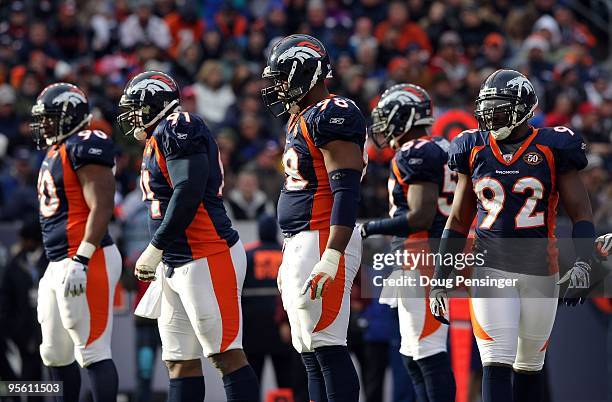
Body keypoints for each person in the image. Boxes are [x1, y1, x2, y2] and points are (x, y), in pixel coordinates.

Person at [429, 69, 595, 402]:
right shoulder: (474, 147)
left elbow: (581, 213)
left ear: (523, 109)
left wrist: (586, 264)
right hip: (491, 268)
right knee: (495, 362)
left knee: (530, 366)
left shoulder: (552, 146)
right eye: (487, 108)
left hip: (540, 271)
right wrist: (440, 277)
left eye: (500, 108)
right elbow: (459, 220)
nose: (490, 116)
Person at [117, 71, 259, 402]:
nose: (133, 116)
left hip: (206, 253)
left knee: (225, 355)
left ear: (156, 104)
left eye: (138, 107)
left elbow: (189, 189)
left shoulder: (180, 124)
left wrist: (155, 246)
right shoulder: (157, 137)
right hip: (176, 262)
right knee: (178, 361)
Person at [262, 34, 367, 402]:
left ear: (306, 72)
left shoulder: (332, 112)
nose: (277, 87)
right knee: (308, 348)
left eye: (282, 77)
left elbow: (346, 189)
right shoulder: (301, 117)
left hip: (323, 234)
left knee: (326, 344)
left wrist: (333, 254)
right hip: (301, 239)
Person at [360, 83, 457, 402]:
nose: (383, 126)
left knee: (428, 352)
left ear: (406, 117)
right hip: (423, 254)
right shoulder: (440, 146)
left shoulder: (415, 151)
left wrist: (370, 227)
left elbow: (420, 216)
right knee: (411, 352)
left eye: (388, 117)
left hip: (423, 254)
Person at [31, 83, 120, 402]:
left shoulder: (86, 142)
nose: (44, 125)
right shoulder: (56, 150)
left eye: (50, 118)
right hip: (58, 260)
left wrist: (82, 258)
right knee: (53, 352)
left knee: (93, 350)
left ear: (70, 117)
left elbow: (102, 205)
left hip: (86, 255)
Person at [241, 214, 295, 390]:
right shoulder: (287, 253)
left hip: (252, 327)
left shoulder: (247, 254)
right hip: (283, 326)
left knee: (252, 379)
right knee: (286, 378)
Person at [0, 219, 46, 402]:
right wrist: (14, 329)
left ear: (33, 240)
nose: (22, 244)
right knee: (28, 378)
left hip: (49, 330)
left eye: (25, 240)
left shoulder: (50, 261)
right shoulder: (14, 265)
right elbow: (5, 302)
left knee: (57, 376)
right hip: (25, 336)